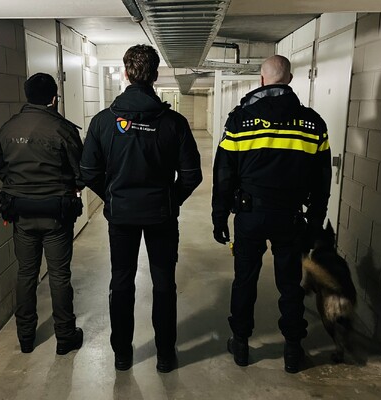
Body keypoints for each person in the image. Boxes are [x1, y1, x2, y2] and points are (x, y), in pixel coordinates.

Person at [80, 44, 202, 373]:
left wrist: (113, 196)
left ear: (126, 73)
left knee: (121, 282)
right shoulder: (174, 122)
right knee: (164, 284)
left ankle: (122, 355)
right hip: (161, 216)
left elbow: (88, 171)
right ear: (155, 75)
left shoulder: (103, 122)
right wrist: (170, 200)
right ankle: (165, 356)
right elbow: (191, 174)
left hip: (121, 216)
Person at [211, 55, 331, 373]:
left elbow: (224, 173)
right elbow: (322, 180)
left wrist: (219, 215)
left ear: (262, 80)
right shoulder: (313, 124)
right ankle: (293, 349)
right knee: (290, 284)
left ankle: (240, 344)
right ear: (289, 79)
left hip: (249, 215)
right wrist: (315, 220)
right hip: (290, 218)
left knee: (244, 280)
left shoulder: (240, 121)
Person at [0, 72, 84, 355]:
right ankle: (65, 337)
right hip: (56, 213)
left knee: (26, 273)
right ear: (54, 98)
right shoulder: (63, 129)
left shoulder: (8, 129)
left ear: (27, 95)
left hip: (21, 213)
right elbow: (80, 171)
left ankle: (25, 337)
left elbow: (2, 171)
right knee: (59, 275)